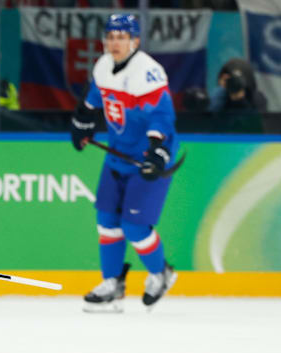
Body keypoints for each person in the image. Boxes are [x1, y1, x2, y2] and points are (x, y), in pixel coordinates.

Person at [70, 14, 178, 313]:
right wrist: (83, 121)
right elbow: (95, 97)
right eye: (111, 36)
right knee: (106, 220)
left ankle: (161, 273)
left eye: (121, 37)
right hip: (118, 152)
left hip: (146, 155)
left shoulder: (148, 72)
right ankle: (112, 284)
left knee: (134, 225)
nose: (114, 42)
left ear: (135, 41)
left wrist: (158, 151)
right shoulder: (103, 65)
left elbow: (162, 117)